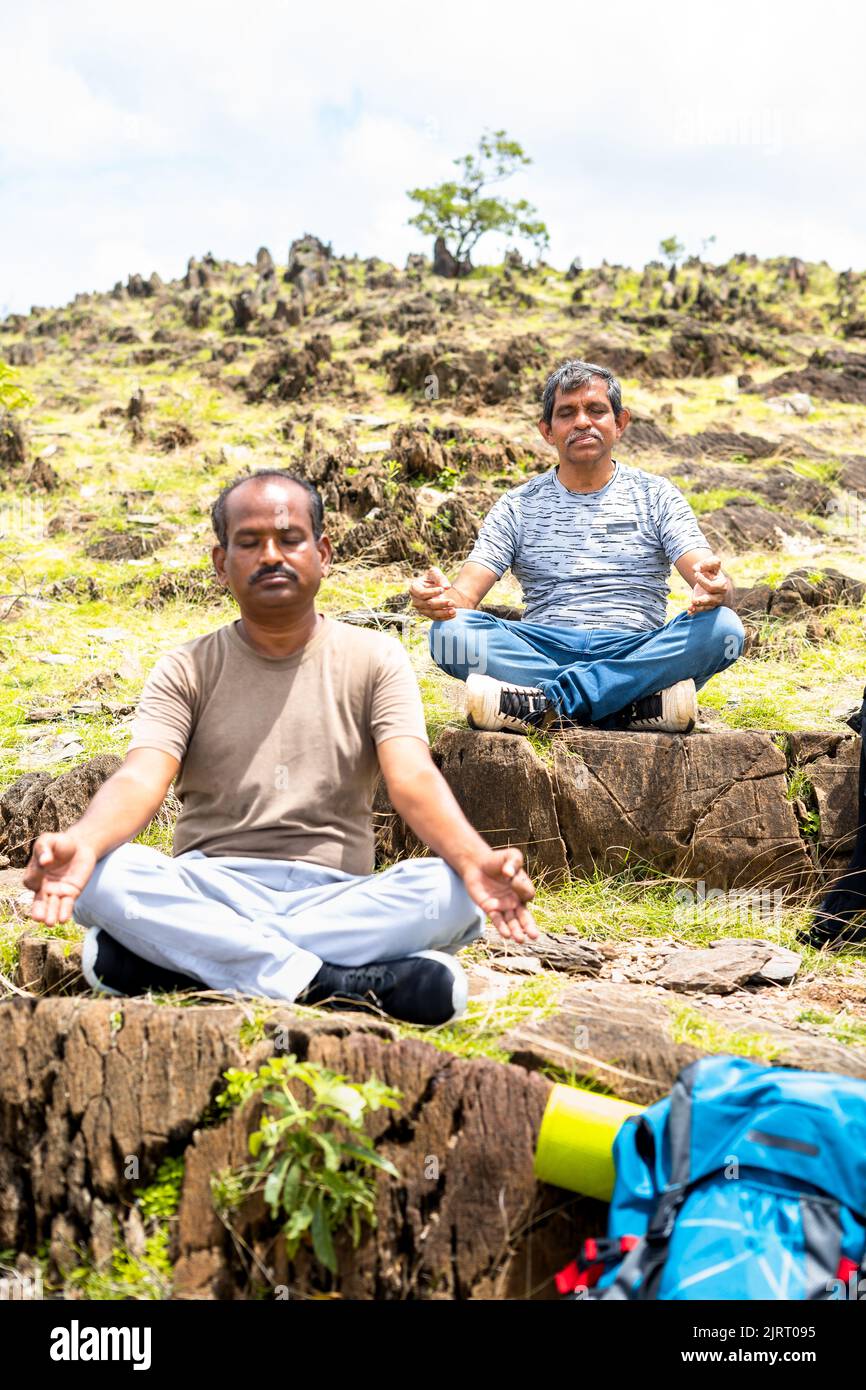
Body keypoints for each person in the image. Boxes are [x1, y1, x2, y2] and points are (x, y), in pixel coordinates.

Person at [23, 470, 538, 1025]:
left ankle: (193, 962)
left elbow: (412, 778)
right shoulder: (187, 667)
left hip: (337, 899)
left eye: (289, 539)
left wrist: (472, 858)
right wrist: (83, 840)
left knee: (453, 892)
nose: (271, 555)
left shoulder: (375, 659)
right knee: (103, 875)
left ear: (322, 553)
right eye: (249, 542)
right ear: (222, 564)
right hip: (208, 887)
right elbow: (140, 779)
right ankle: (324, 982)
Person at [412, 359, 745, 736]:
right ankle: (629, 705)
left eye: (596, 410)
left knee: (723, 628)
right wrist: (437, 601)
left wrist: (717, 588)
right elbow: (464, 598)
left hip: (636, 649)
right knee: (449, 634)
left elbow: (708, 575)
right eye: (567, 413)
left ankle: (548, 705)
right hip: (543, 647)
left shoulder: (656, 496)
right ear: (547, 431)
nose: (582, 422)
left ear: (620, 423)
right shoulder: (517, 506)